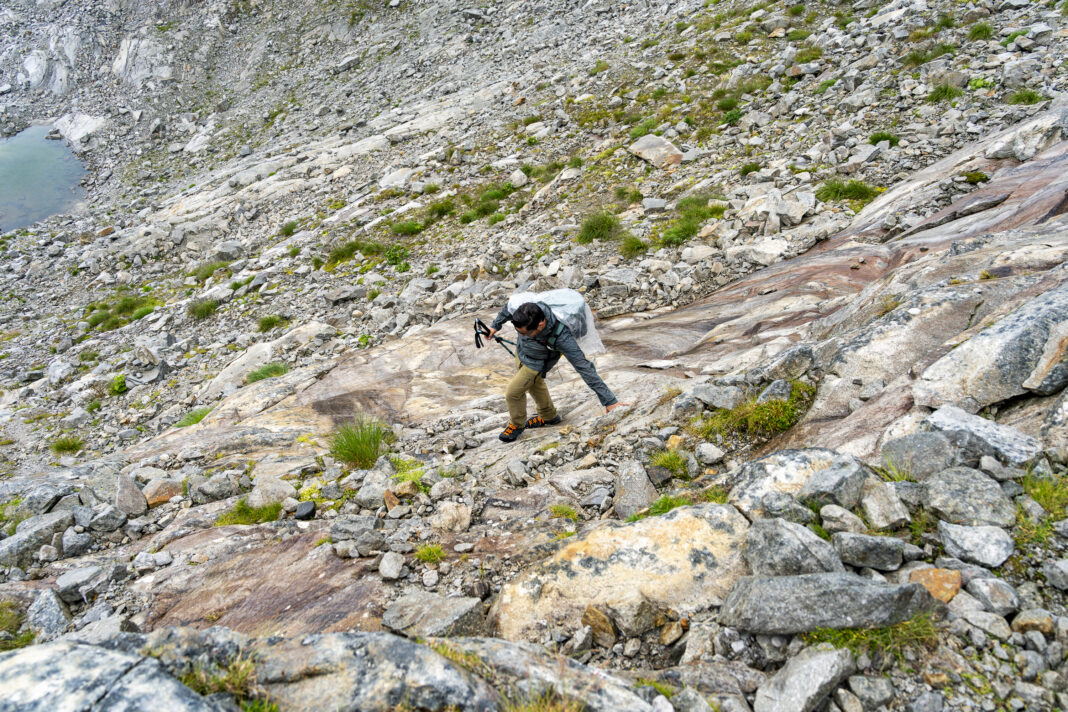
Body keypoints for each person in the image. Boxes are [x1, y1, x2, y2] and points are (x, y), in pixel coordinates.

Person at [486, 300, 623, 442]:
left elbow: (584, 367)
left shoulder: (562, 337)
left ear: (540, 325)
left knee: (513, 393)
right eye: (518, 332)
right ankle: (549, 416)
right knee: (535, 384)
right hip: (521, 354)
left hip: (536, 364)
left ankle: (516, 425)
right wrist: (494, 327)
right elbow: (508, 309)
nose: (521, 336)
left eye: (525, 333)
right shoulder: (525, 309)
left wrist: (610, 401)